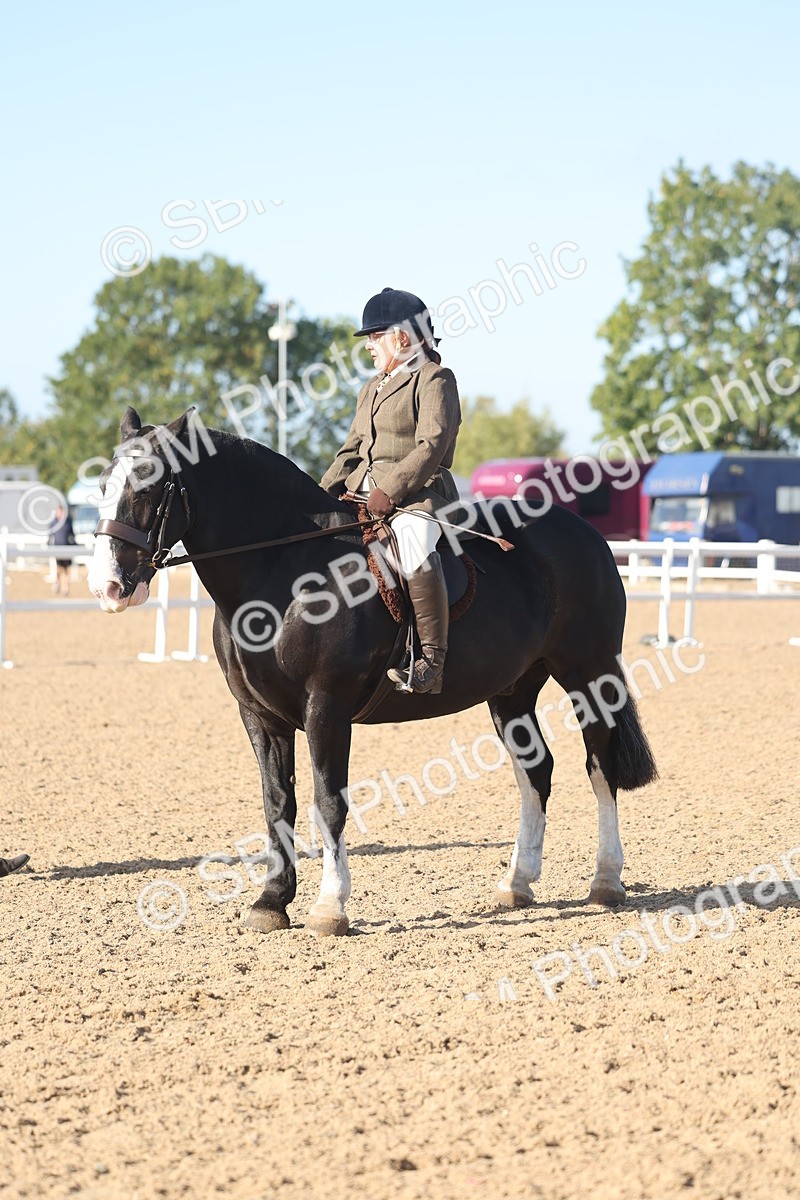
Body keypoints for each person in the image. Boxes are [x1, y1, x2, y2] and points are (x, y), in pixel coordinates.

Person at [321, 288, 461, 694]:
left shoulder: (434, 379)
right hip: (362, 495)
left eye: (374, 336)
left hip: (419, 496)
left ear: (401, 337)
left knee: (414, 545)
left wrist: (391, 489)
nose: (368, 346)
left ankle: (431, 662)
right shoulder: (371, 388)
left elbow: (432, 445)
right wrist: (319, 495)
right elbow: (351, 449)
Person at [49, 504, 75, 597]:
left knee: (66, 569)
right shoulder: (53, 523)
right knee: (59, 568)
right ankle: (57, 583)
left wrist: (74, 545)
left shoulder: (68, 522)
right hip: (57, 549)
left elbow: (72, 535)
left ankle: (65, 588)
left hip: (67, 548)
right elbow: (50, 535)